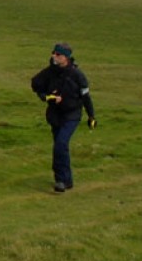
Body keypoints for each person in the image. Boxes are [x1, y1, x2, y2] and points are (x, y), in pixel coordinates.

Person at [30, 42, 96, 193]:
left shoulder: (77, 75)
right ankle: (66, 180)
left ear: (66, 57)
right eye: (53, 53)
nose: (54, 56)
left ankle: (61, 180)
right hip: (54, 115)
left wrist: (91, 116)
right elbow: (36, 86)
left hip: (72, 115)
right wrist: (47, 97)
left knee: (60, 144)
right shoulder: (49, 72)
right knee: (60, 147)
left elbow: (86, 97)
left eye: (58, 54)